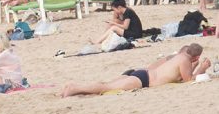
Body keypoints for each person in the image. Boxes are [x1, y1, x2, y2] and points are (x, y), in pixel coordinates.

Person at [62, 43, 210, 97]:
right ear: (196, 57)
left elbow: (183, 75)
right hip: (143, 80)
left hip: (141, 74)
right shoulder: (184, 60)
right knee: (106, 88)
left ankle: (73, 89)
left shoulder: (178, 57)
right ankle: (75, 88)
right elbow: (188, 80)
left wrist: (196, 66)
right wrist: (202, 68)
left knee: (106, 85)